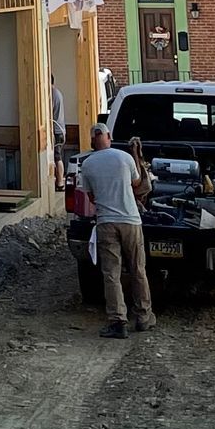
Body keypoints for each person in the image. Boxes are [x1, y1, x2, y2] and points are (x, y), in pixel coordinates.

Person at [77, 120, 154, 338]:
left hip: (106, 223)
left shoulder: (88, 164)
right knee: (138, 269)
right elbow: (137, 184)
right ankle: (143, 316)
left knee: (111, 273)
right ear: (108, 136)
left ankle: (118, 321)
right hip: (131, 220)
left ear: (92, 140)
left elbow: (91, 197)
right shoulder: (125, 157)